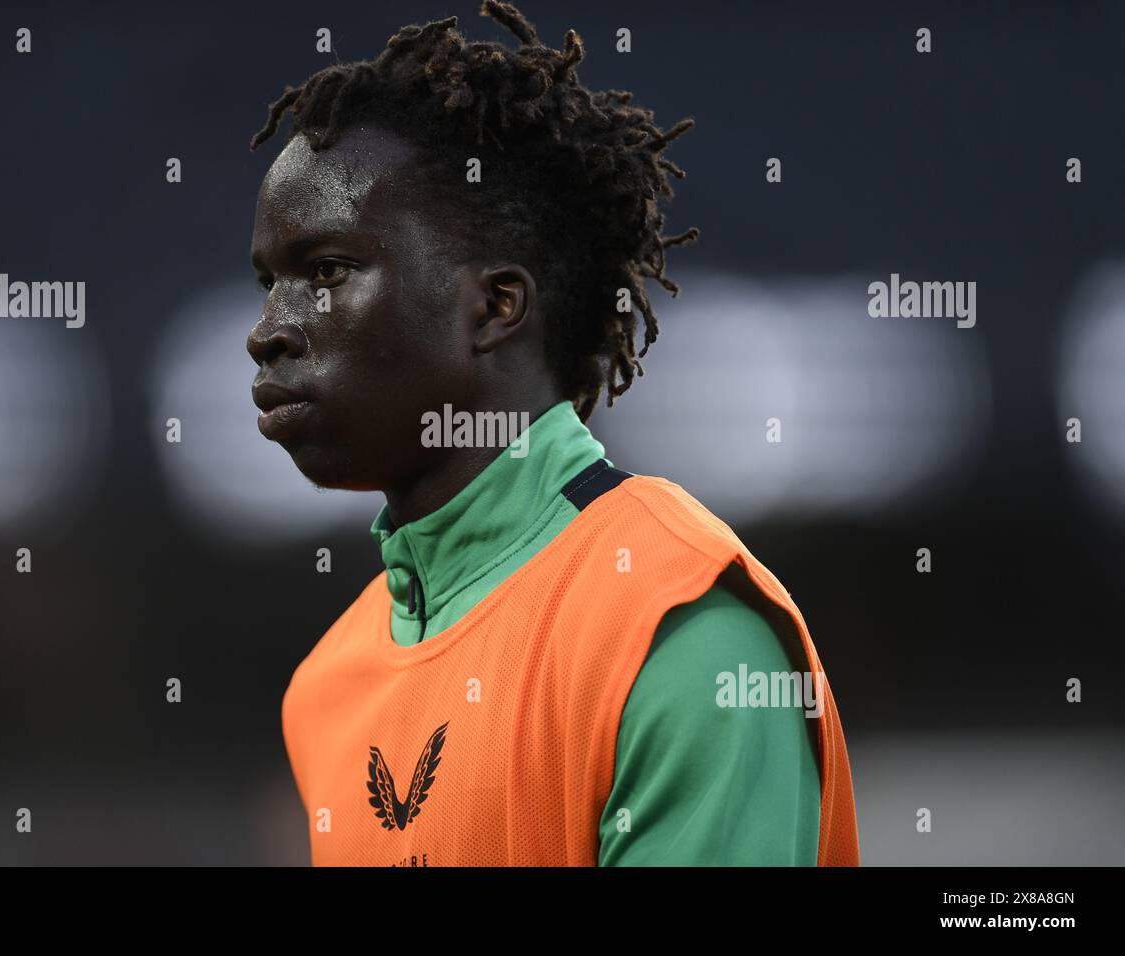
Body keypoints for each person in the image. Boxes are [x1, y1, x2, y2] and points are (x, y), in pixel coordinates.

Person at [247, 0, 858, 866]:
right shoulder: (324, 688)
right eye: (268, 280)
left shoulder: (676, 628)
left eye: (328, 270)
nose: (267, 327)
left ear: (495, 306)